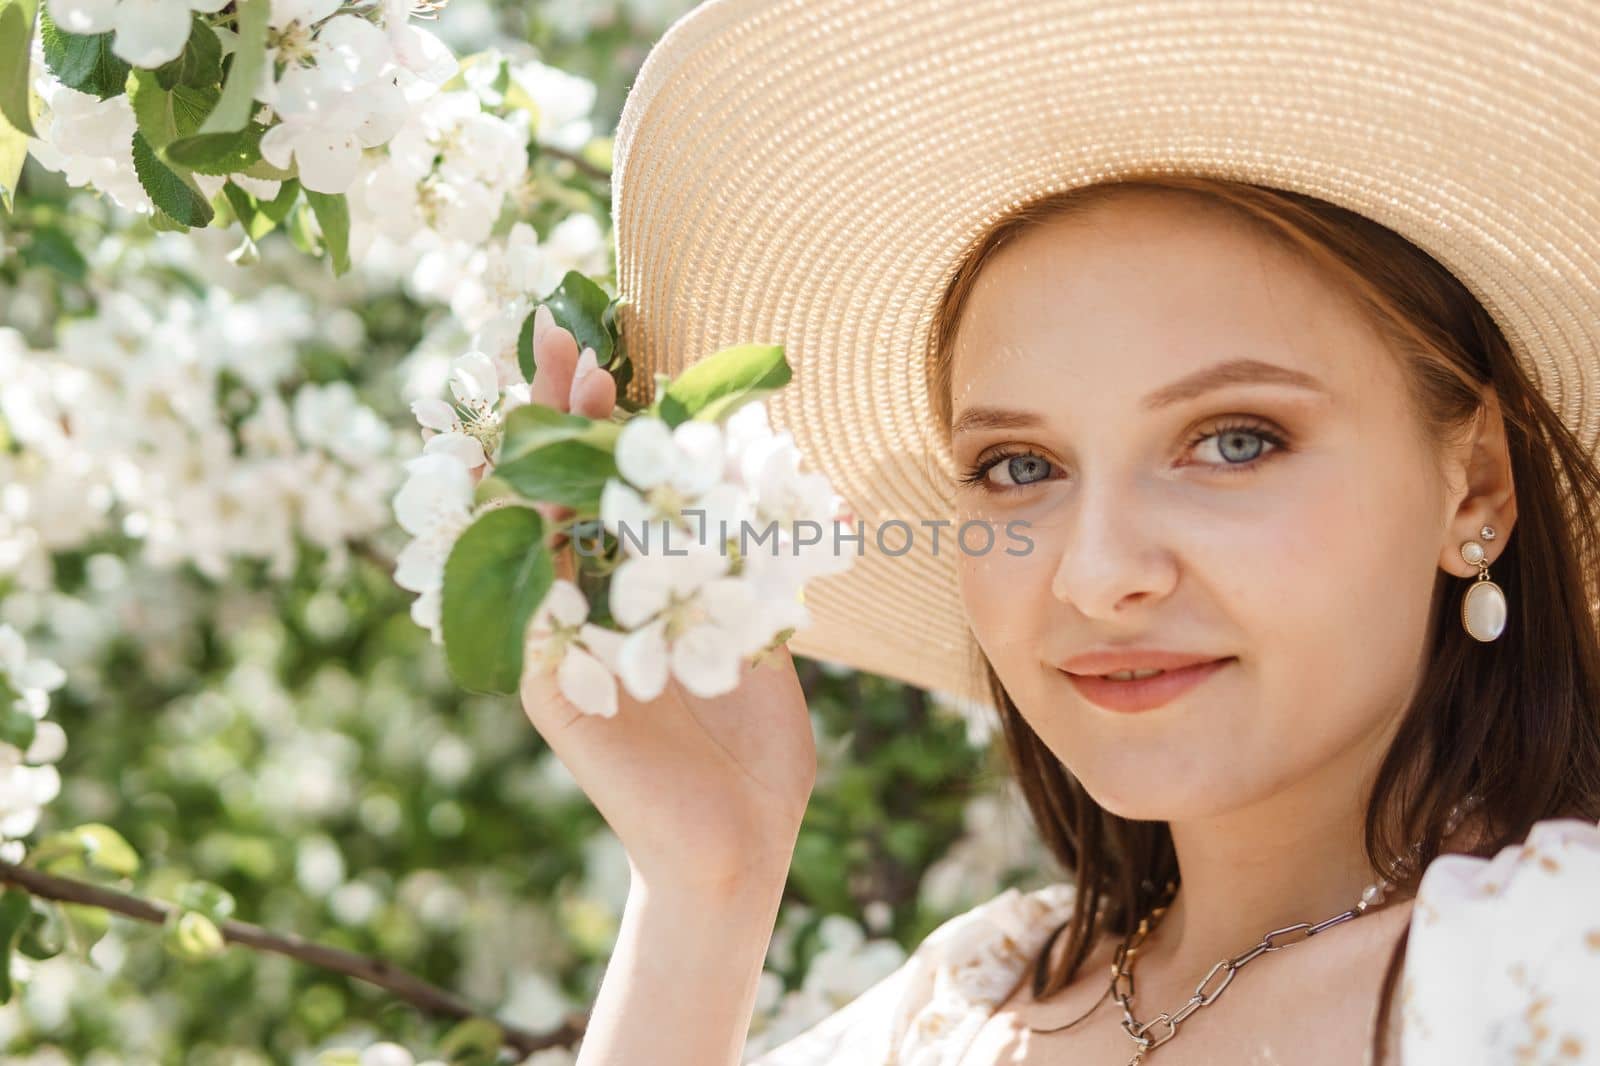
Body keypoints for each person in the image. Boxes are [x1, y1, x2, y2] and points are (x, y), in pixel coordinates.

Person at [516, 1, 1600, 1064]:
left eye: (1232, 441)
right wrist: (708, 880)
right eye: (1017, 467)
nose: (1097, 575)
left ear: (1475, 487)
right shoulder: (954, 1010)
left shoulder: (1548, 965)